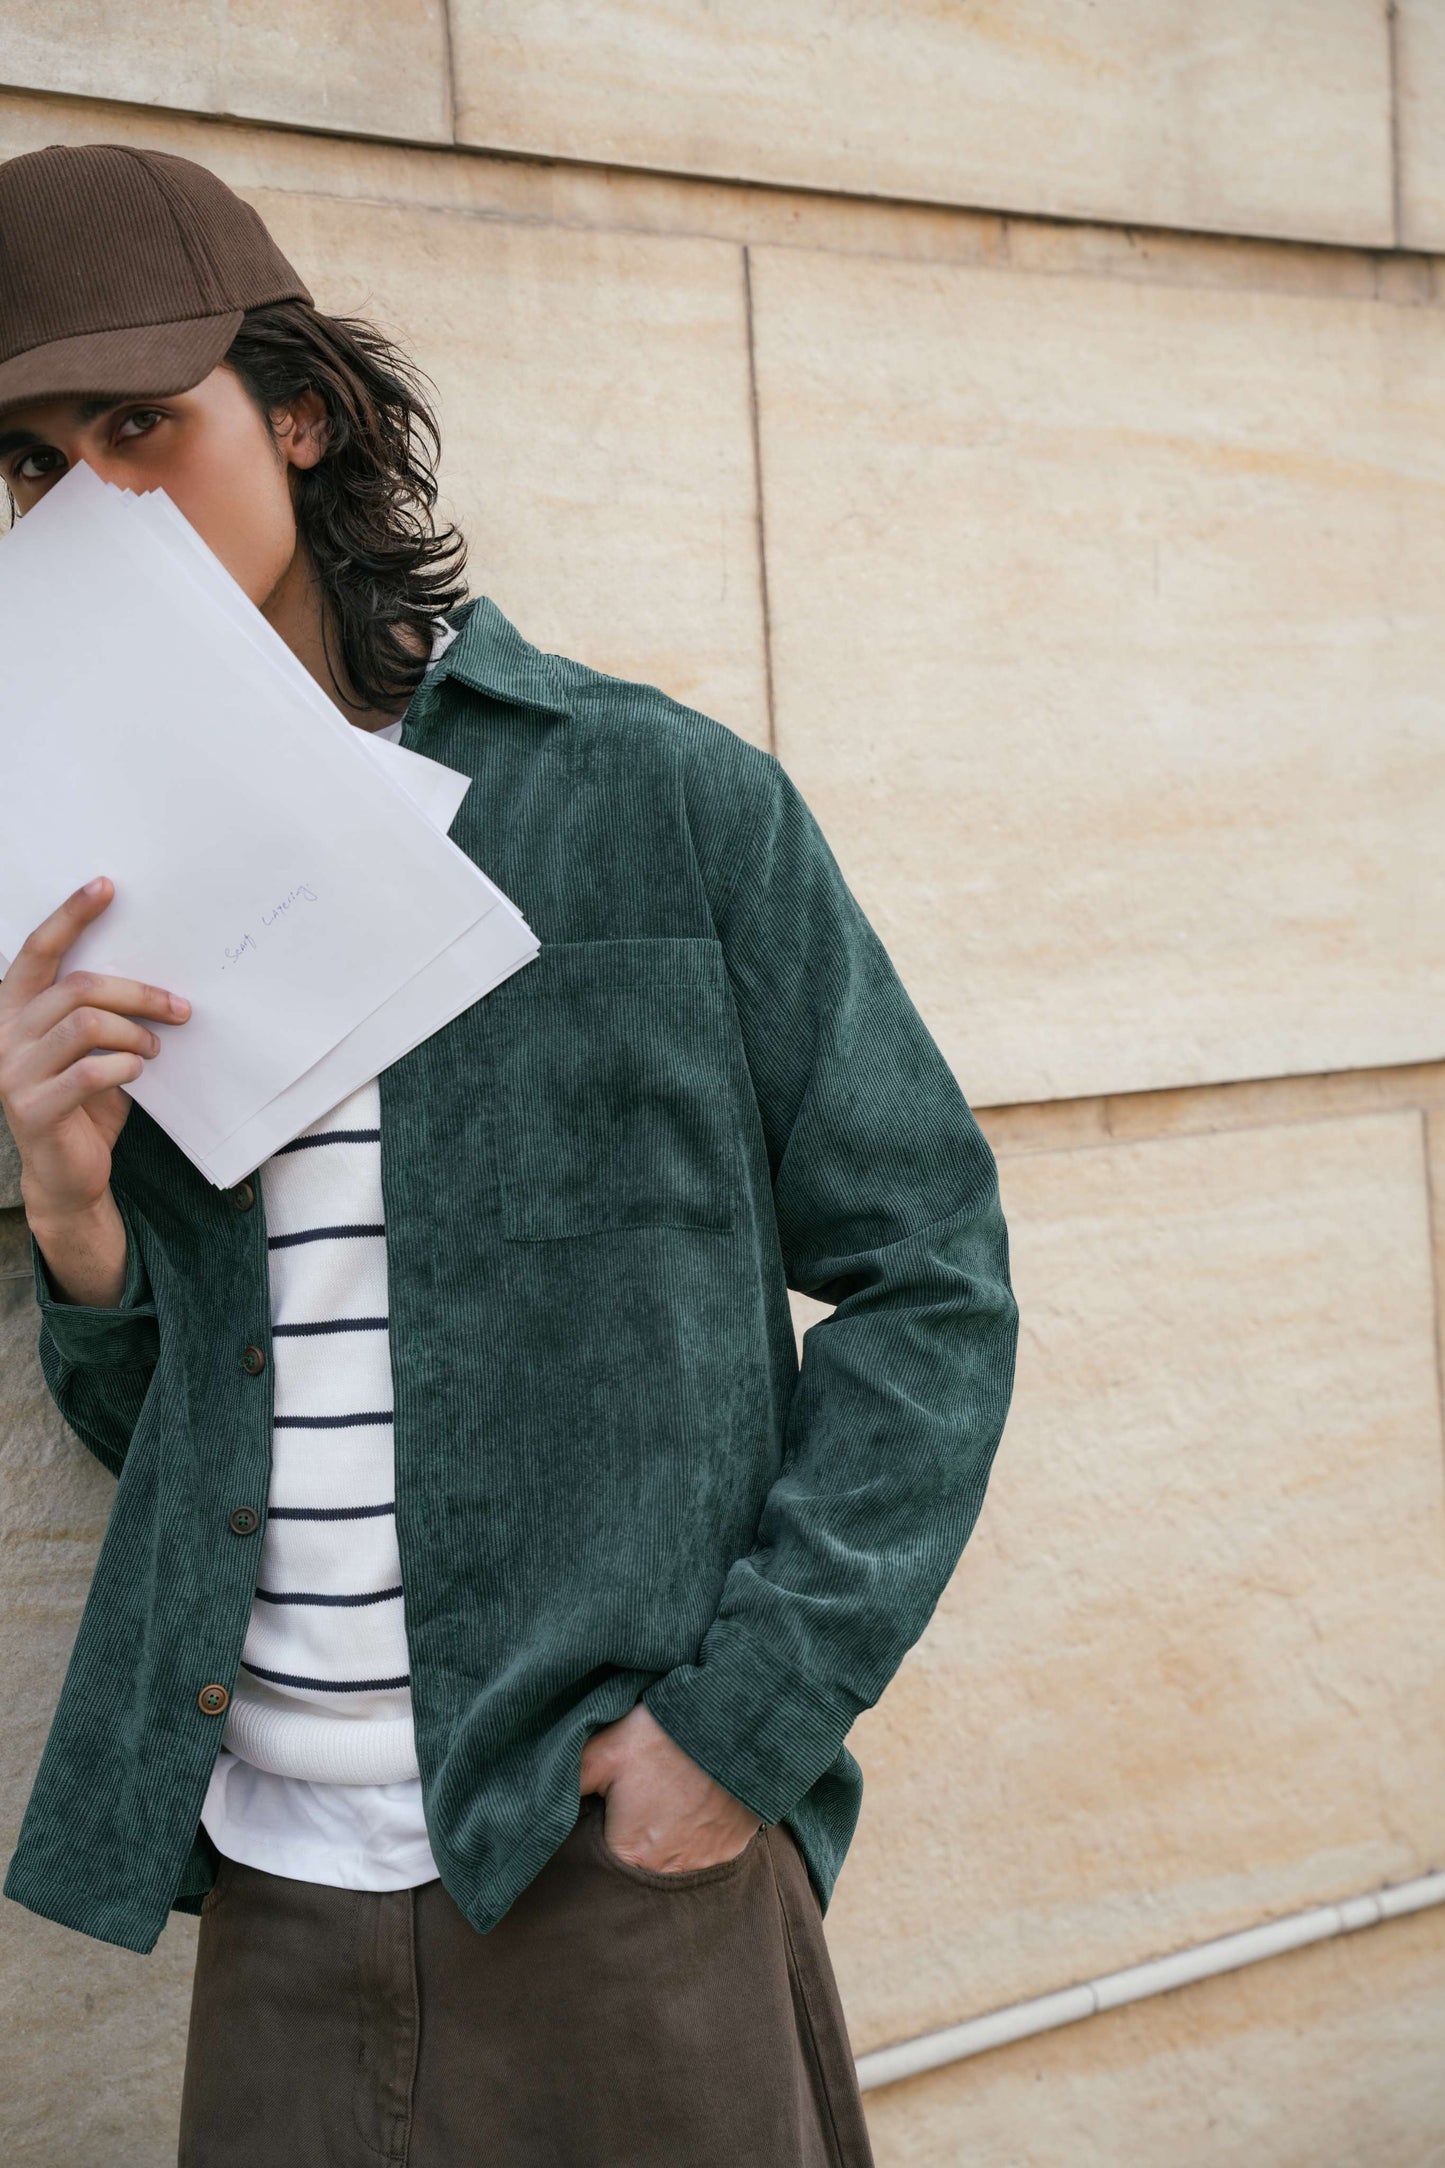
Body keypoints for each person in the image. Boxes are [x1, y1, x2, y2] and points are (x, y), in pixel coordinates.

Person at [0, 141, 1019, 2166]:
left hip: (602, 1856)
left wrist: (729, 1738)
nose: (97, 502)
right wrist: (72, 1211)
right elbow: (181, 1417)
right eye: (34, 466)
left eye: (143, 426)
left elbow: (931, 1274)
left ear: (297, 414)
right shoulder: (78, 899)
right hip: (275, 1884)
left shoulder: (652, 797)